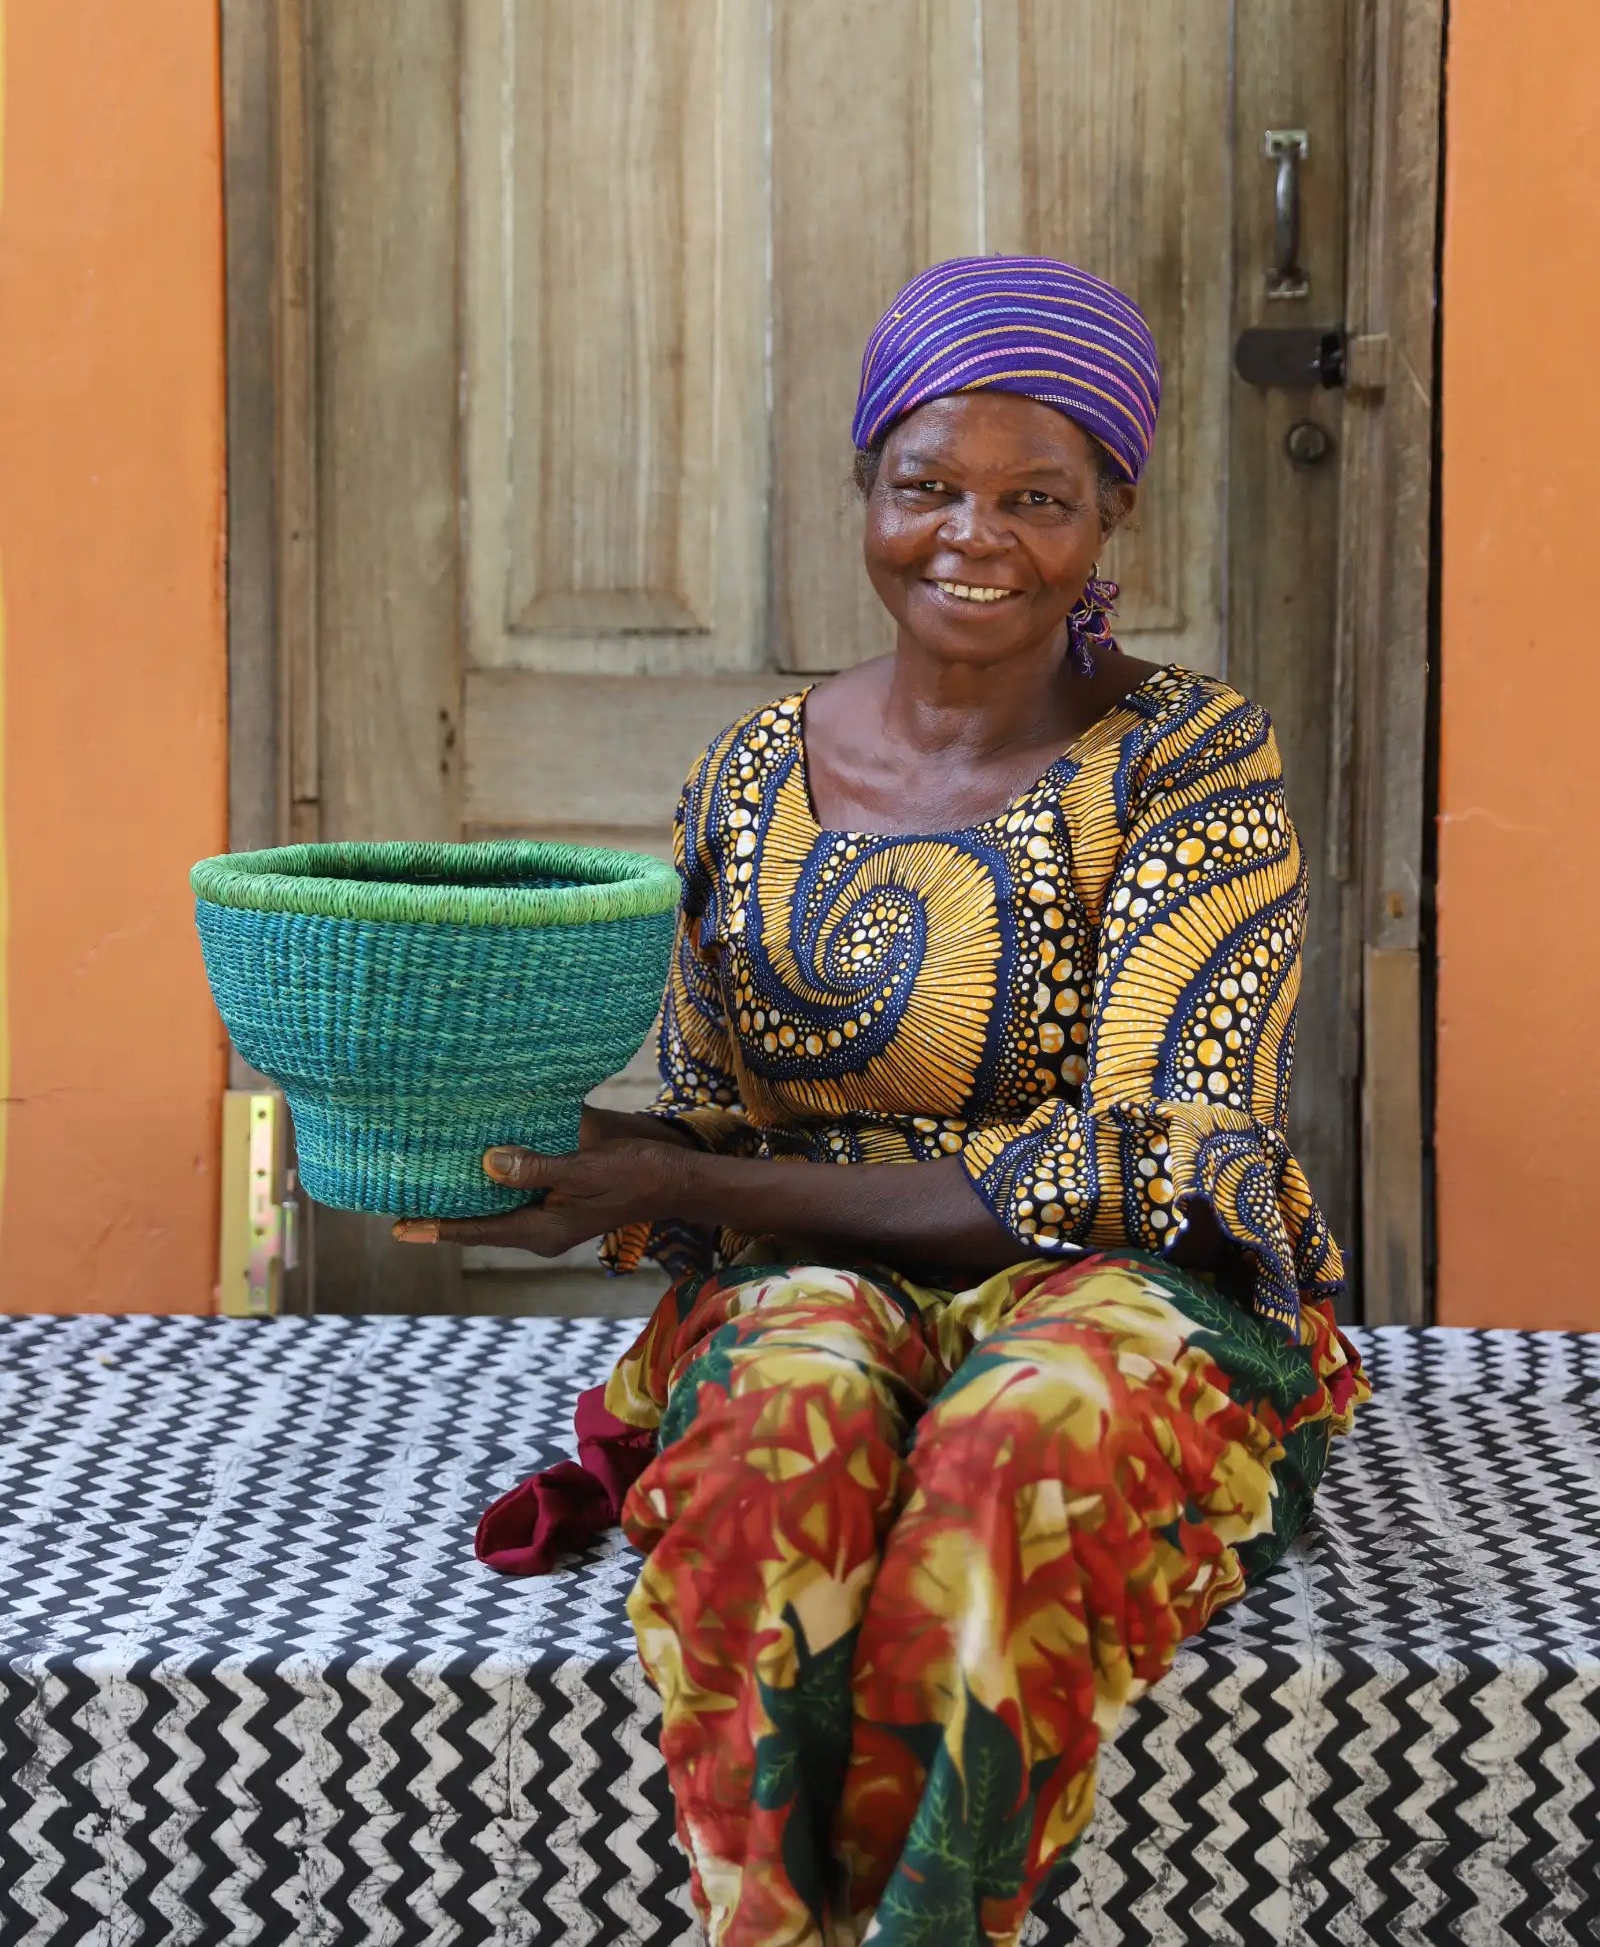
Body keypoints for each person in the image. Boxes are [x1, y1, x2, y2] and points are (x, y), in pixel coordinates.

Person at [395, 255, 1368, 1947]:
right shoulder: (751, 774)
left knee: (1016, 1444)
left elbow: (1149, 1162)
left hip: (1135, 1282)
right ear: (866, 491)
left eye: (1036, 497)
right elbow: (715, 1128)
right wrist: (575, 1168)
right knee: (787, 1435)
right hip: (818, 1283)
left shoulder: (1189, 760)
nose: (973, 535)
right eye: (927, 486)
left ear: (1110, 513)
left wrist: (739, 1192)